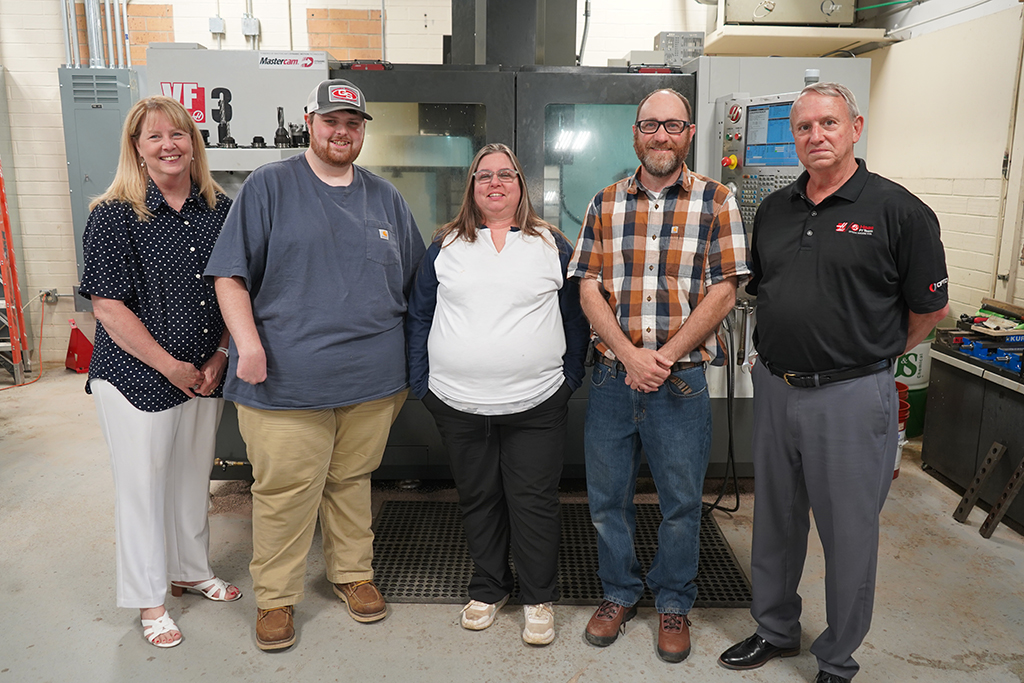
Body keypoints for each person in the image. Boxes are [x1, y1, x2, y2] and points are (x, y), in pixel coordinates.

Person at [717, 83, 949, 683]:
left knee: (848, 533)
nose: (815, 136)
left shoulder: (898, 210)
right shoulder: (774, 210)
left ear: (855, 127)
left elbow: (929, 309)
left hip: (851, 397)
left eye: (828, 124)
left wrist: (873, 355)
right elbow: (764, 287)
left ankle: (838, 658)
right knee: (775, 520)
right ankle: (774, 628)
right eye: (803, 128)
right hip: (773, 386)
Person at [205, 79, 425, 651]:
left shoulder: (386, 199)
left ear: (362, 130)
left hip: (374, 382)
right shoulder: (269, 186)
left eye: (353, 123)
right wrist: (245, 344)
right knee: (284, 491)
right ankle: (276, 599)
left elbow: (416, 281)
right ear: (310, 121)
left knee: (351, 481)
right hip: (284, 380)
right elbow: (229, 274)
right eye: (332, 120)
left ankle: (353, 574)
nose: (342, 131)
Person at [567, 89, 750, 663]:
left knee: (679, 502)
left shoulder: (719, 201)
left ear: (690, 134)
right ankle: (619, 593)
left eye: (673, 125)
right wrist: (628, 355)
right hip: (612, 381)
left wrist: (662, 357)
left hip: (682, 380)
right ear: (635, 134)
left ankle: (673, 600)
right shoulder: (603, 203)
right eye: (650, 125)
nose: (661, 135)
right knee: (607, 499)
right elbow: (587, 287)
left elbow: (725, 290)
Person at [405, 143, 589, 646]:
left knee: (533, 501)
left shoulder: (551, 243)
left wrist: (569, 379)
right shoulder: (446, 245)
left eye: (506, 175)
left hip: (536, 402)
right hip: (457, 401)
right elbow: (419, 315)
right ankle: (489, 588)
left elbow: (577, 318)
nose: (495, 183)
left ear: (521, 186)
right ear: (472, 186)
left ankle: (537, 597)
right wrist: (423, 386)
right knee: (480, 497)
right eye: (485, 175)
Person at [80, 96, 241, 649]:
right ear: (137, 149)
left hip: (203, 373)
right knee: (143, 488)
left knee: (193, 478)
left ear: (194, 144)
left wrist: (220, 355)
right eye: (155, 137)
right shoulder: (114, 212)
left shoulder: (217, 208)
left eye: (179, 135)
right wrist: (169, 365)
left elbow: (231, 290)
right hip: (136, 377)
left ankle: (191, 571)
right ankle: (150, 600)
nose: (170, 145)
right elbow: (108, 307)